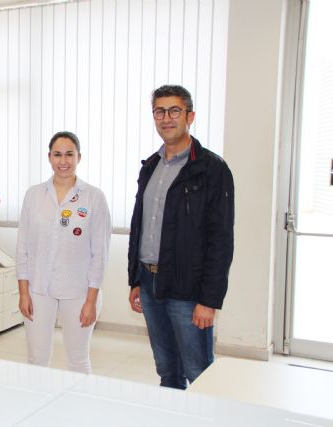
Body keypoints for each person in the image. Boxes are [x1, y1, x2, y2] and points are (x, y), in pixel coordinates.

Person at [127, 85, 235, 389]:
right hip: (149, 284)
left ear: (190, 116)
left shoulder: (211, 169)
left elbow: (221, 241)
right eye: (159, 111)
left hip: (188, 289)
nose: (166, 118)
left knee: (199, 371)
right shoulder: (150, 166)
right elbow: (139, 226)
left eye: (174, 110)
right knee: (167, 369)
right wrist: (135, 279)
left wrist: (209, 301)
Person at [16, 131, 112, 374]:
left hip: (79, 291)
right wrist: (23, 293)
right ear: (49, 157)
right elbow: (23, 248)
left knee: (78, 360)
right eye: (57, 154)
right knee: (37, 359)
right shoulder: (34, 195)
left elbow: (100, 255)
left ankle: (79, 400)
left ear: (79, 157)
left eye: (69, 154)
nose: (63, 161)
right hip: (38, 289)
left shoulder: (94, 197)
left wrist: (91, 301)